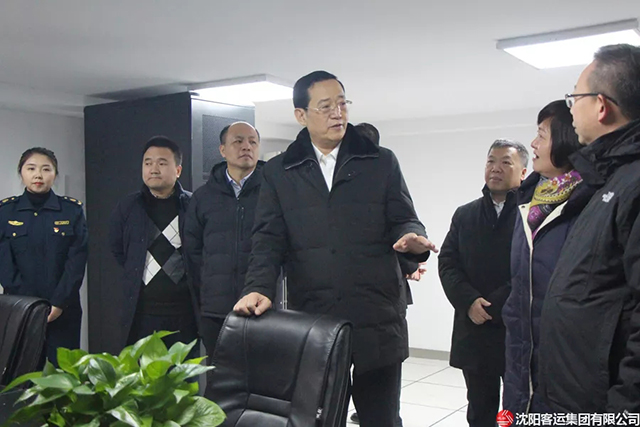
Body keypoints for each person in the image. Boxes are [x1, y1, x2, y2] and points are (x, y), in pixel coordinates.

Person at [232, 71, 437, 427]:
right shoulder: (280, 171)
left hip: (376, 313)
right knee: (319, 417)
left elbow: (404, 219)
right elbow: (268, 239)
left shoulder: (381, 161)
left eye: (342, 103)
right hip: (316, 315)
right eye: (325, 106)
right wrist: (258, 287)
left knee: (382, 418)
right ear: (301, 115)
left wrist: (413, 239)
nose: (337, 113)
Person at [538, 44, 640, 413]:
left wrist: (624, 413)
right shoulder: (606, 181)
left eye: (574, 97)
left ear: (601, 106)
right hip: (572, 395)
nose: (571, 108)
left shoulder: (632, 184)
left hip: (603, 405)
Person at [502, 100, 592, 415]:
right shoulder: (527, 204)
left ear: (566, 140)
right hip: (520, 358)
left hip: (566, 363)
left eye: (542, 135)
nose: (533, 143)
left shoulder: (591, 201)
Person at [439, 139, 528, 427]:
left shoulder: (532, 215)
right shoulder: (465, 214)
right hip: (474, 327)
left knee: (519, 408)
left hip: (517, 328)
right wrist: (468, 301)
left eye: (506, 162)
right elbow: (448, 263)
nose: (496, 168)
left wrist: (495, 304)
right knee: (479, 408)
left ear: (523, 172)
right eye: (491, 161)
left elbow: (532, 269)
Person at [109, 136, 199, 354]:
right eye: (148, 163)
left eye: (162, 163)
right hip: (141, 313)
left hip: (184, 314)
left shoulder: (194, 206)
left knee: (182, 374)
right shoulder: (128, 207)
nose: (153, 169)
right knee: (141, 373)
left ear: (178, 170)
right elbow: (118, 249)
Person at [0, 147, 88, 366]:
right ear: (21, 173)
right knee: (23, 375)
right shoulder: (6, 212)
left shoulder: (71, 211)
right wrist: (29, 306)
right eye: (31, 168)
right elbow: (4, 264)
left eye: (46, 169)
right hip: (20, 309)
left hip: (63, 308)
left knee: (67, 374)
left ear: (55, 174)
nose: (38, 175)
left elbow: (76, 261)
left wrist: (58, 303)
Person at [184, 121, 264, 362]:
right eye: (238, 141)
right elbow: (193, 254)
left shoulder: (272, 192)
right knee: (220, 376)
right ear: (222, 150)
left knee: (263, 375)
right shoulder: (203, 197)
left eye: (252, 142)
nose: (246, 147)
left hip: (261, 308)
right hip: (215, 311)